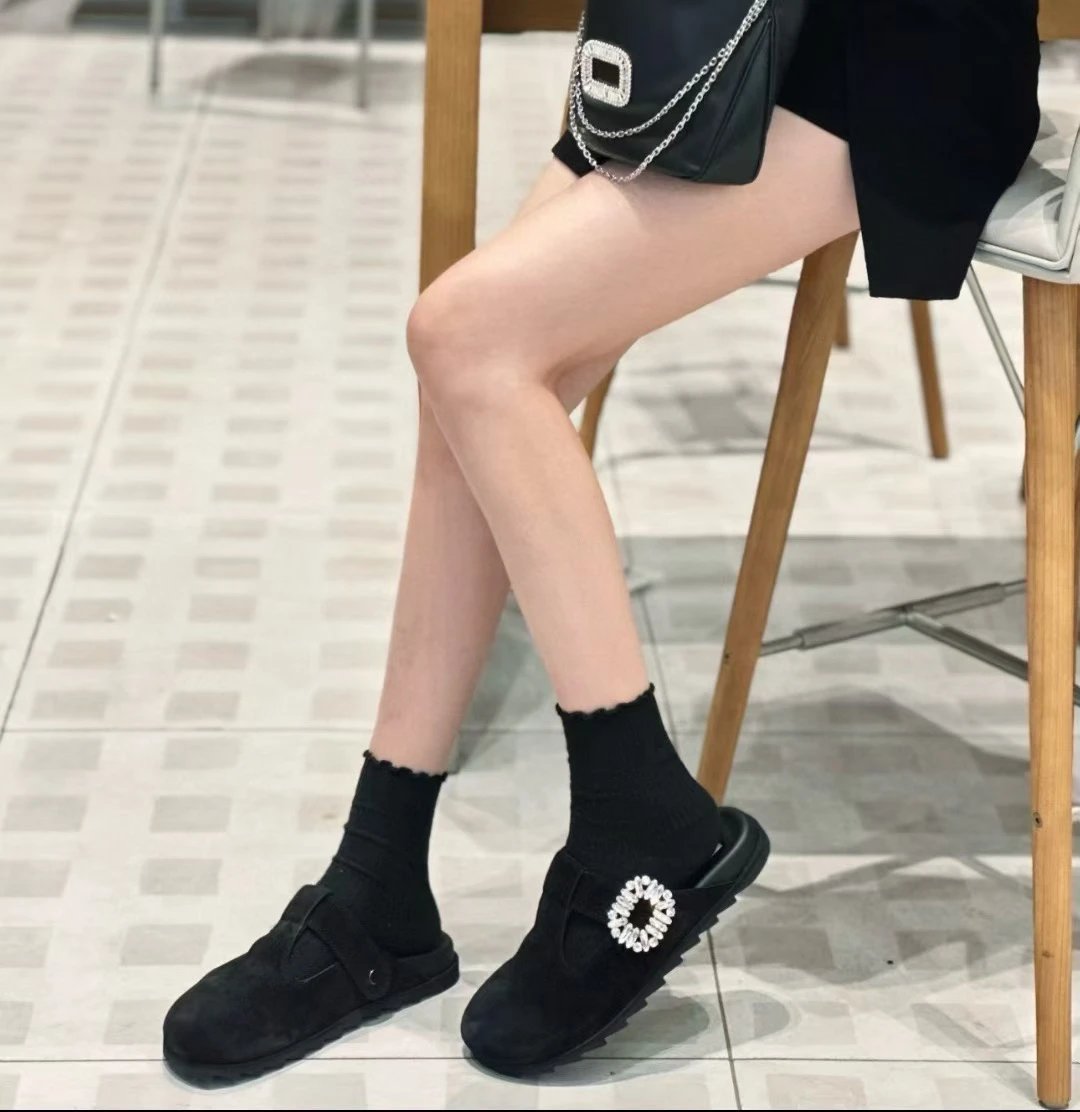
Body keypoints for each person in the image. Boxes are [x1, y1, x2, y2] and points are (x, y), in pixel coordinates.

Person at [161, 0, 1041, 1084]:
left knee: (466, 336)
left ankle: (638, 820)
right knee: (465, 363)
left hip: (888, 71)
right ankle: (379, 882)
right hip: (713, 45)